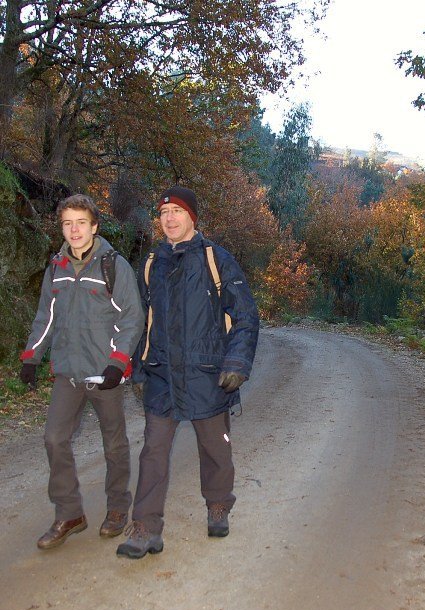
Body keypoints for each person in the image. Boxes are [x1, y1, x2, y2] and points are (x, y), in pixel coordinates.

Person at [116, 186, 259, 560]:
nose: (170, 219)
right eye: (164, 213)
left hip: (207, 373)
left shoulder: (216, 259)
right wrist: (139, 368)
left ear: (192, 217)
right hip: (162, 373)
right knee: (153, 451)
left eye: (177, 212)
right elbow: (141, 321)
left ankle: (218, 504)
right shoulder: (152, 263)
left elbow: (245, 315)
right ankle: (145, 527)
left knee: (215, 448)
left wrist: (236, 364)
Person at [20, 194, 144, 550]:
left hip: (105, 373)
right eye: (67, 224)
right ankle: (69, 513)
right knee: (54, 438)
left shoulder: (113, 266)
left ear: (94, 226)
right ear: (62, 228)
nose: (74, 230)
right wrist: (31, 357)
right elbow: (46, 317)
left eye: (80, 223)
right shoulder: (56, 267)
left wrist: (117, 362)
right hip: (68, 372)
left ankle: (117, 508)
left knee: (114, 443)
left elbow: (132, 318)